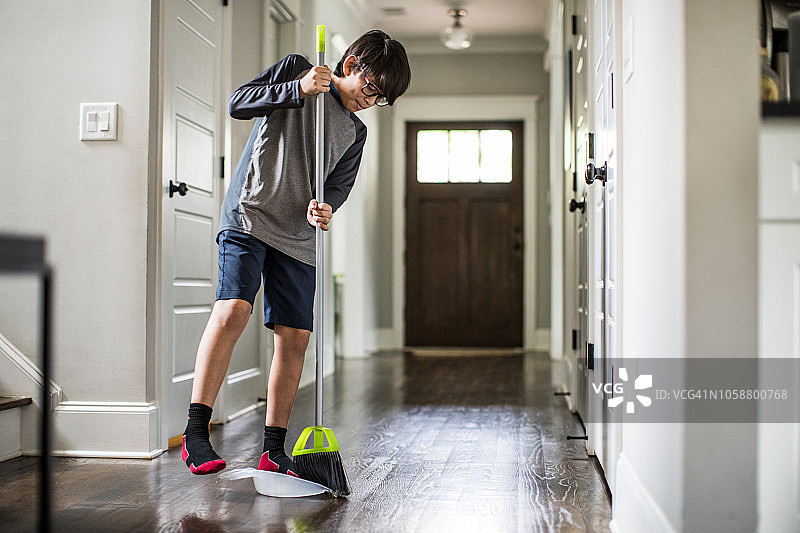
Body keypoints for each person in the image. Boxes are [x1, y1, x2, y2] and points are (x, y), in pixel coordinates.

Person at [181, 30, 411, 476]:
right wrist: (297, 89)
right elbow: (238, 103)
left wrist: (325, 208)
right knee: (232, 311)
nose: (371, 100)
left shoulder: (355, 134)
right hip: (252, 214)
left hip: (298, 235)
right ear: (351, 64)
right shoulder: (296, 71)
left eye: (381, 98)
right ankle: (195, 432)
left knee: (295, 337)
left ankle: (273, 449)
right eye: (371, 87)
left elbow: (337, 187)